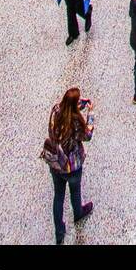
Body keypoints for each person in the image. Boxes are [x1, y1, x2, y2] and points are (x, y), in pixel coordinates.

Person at [42, 88, 94, 245]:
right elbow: (88, 135)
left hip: (55, 162)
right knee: (75, 190)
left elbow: (68, 109)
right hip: (72, 165)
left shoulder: (56, 110)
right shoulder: (76, 122)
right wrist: (90, 114)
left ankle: (59, 232)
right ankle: (78, 212)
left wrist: (80, 104)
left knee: (58, 196)